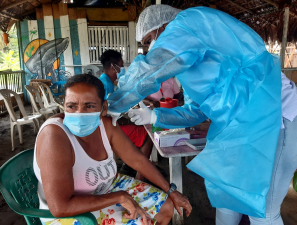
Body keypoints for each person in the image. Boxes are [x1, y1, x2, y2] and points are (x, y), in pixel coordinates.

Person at [106, 4, 297, 225]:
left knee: (262, 208)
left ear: (165, 25)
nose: (151, 49)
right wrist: (155, 117)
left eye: (150, 40)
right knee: (227, 199)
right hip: (239, 128)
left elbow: (154, 66)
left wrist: (116, 102)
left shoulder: (191, 22)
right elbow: (196, 110)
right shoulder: (191, 68)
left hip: (275, 116)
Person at [34, 74, 192, 225]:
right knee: (140, 222)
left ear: (104, 108)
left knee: (165, 207)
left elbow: (136, 159)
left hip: (107, 187)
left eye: (89, 106)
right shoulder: (54, 136)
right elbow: (60, 207)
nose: (79, 114)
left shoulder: (105, 124)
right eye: (71, 106)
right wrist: (120, 198)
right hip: (72, 208)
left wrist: (171, 190)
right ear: (64, 106)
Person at [99, 50, 153, 181]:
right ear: (113, 66)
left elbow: (120, 101)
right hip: (106, 129)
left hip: (105, 126)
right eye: (121, 65)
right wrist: (126, 121)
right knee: (149, 135)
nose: (123, 69)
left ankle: (130, 165)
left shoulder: (105, 81)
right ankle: (140, 177)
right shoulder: (106, 85)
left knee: (140, 126)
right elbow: (106, 115)